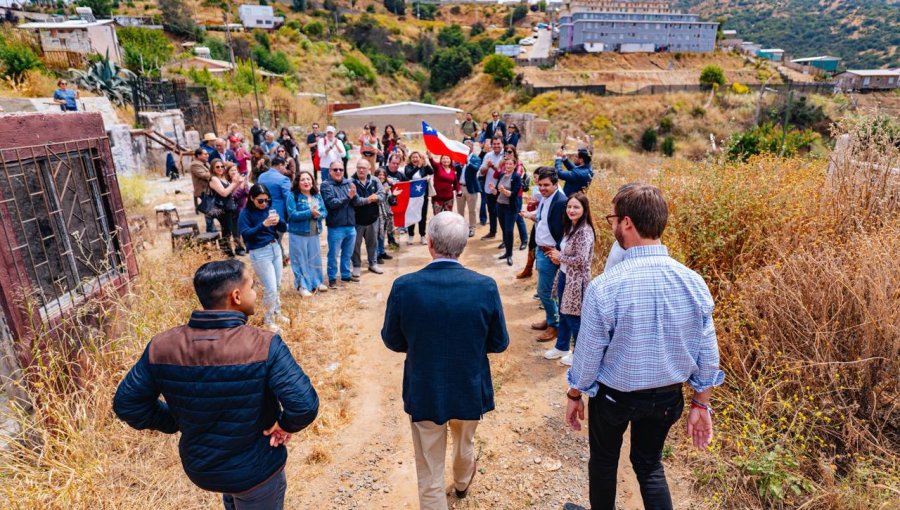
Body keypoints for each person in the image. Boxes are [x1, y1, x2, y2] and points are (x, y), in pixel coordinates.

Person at [565, 184, 723, 510]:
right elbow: (707, 352)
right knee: (650, 465)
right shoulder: (692, 281)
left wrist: (575, 392)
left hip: (614, 397)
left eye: (612, 219)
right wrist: (700, 403)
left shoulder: (605, 286)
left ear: (626, 223)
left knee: (605, 462)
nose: (610, 226)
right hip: (667, 396)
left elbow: (589, 351)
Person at [113, 259, 319, 509]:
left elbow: (127, 403)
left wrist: (178, 421)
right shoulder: (264, 345)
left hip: (202, 468)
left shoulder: (161, 346)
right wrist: (284, 425)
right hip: (257, 470)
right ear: (236, 296)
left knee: (234, 494)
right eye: (252, 286)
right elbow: (304, 405)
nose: (255, 293)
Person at [381, 212, 509, 510]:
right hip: (468, 384)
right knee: (465, 442)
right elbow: (499, 342)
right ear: (463, 245)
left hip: (425, 386)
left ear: (429, 243)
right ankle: (463, 483)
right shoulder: (485, 286)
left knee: (428, 464)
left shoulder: (405, 286)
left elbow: (392, 340)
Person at [543, 192, 595, 366]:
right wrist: (559, 257)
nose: (571, 210)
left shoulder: (585, 231)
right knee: (564, 313)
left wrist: (560, 257)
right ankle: (562, 347)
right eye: (569, 206)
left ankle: (579, 354)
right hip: (565, 275)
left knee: (574, 318)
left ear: (584, 209)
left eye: (576, 207)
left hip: (577, 281)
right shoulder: (571, 226)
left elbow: (581, 260)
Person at [521, 167, 567, 342]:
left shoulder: (560, 201)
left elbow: (564, 231)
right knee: (547, 291)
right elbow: (543, 219)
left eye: (546, 185)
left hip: (550, 253)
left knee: (544, 291)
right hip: (541, 250)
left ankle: (554, 326)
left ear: (556, 184)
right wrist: (530, 215)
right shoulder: (546, 198)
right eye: (540, 185)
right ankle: (550, 319)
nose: (542, 188)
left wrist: (557, 251)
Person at [238, 184, 288, 331]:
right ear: (251, 198)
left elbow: (283, 228)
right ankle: (268, 319)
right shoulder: (245, 213)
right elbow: (246, 234)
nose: (264, 204)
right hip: (259, 252)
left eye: (266, 200)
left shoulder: (269, 209)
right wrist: (263, 225)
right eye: (260, 201)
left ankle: (277, 313)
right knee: (270, 288)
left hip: (275, 248)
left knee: (277, 285)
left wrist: (279, 221)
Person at [286, 170, 328, 297]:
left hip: (314, 232)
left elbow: (324, 211)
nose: (306, 182)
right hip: (298, 233)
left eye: (308, 179)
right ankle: (302, 286)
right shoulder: (293, 196)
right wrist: (309, 213)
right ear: (298, 182)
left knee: (314, 258)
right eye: (303, 179)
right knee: (300, 260)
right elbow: (292, 214)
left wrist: (319, 215)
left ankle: (316, 282)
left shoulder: (317, 195)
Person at [320, 161, 360, 288]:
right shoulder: (326, 185)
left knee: (347, 254)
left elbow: (357, 201)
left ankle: (345, 275)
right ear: (330, 171)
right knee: (333, 254)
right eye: (335, 169)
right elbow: (332, 203)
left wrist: (354, 197)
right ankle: (332, 278)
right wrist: (348, 197)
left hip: (350, 225)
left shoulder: (349, 183)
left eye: (341, 170)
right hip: (336, 227)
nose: (338, 172)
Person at [350, 159, 385, 276]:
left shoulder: (375, 180)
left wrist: (377, 198)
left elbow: (382, 194)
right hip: (357, 220)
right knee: (355, 244)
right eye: (359, 167)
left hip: (372, 219)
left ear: (369, 169)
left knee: (372, 243)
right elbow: (355, 201)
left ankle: (373, 263)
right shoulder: (351, 182)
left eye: (364, 168)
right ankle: (356, 265)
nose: (361, 170)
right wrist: (370, 199)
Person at [208, 158, 245, 257]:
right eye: (217, 167)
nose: (220, 168)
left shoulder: (223, 177)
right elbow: (224, 193)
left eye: (222, 166)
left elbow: (230, 192)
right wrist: (234, 183)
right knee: (226, 231)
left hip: (228, 208)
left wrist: (238, 183)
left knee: (230, 229)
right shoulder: (214, 179)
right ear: (213, 168)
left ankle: (231, 251)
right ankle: (227, 253)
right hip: (221, 209)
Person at [493, 158, 522, 267]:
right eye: (506, 164)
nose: (508, 166)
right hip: (500, 206)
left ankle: (509, 255)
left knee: (509, 230)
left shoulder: (516, 177)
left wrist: (504, 191)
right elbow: (497, 192)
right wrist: (493, 190)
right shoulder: (501, 175)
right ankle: (506, 253)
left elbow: (514, 194)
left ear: (515, 166)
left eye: (510, 164)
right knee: (504, 230)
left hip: (510, 207)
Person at [516, 168, 543, 279]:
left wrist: (531, 212)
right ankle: (528, 269)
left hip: (542, 223)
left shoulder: (549, 190)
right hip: (537, 221)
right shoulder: (537, 188)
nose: (535, 180)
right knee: (532, 244)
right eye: (535, 177)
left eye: (537, 177)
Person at [478, 138, 505, 240]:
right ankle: (492, 232)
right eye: (494, 144)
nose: (496, 146)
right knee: (491, 212)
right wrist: (488, 167)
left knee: (502, 213)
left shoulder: (506, 155)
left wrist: (493, 166)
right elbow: (482, 172)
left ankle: (505, 237)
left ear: (502, 144)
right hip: (489, 188)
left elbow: (501, 173)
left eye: (498, 143)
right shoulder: (488, 155)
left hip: (502, 189)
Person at [257, 157, 292, 236]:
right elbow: (288, 198)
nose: (285, 170)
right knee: (276, 239)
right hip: (278, 213)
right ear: (280, 165)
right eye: (285, 167)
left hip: (262, 211)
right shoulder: (284, 179)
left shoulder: (261, 176)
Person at [404, 151, 433, 246]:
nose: (415, 159)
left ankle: (422, 235)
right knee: (411, 214)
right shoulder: (408, 167)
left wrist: (425, 161)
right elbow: (408, 175)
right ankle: (411, 235)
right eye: (413, 157)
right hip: (411, 197)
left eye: (417, 157)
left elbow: (432, 171)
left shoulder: (424, 167)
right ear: (410, 159)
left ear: (420, 158)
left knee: (422, 216)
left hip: (422, 196)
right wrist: (418, 167)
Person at [373, 168, 399, 263]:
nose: (381, 177)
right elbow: (376, 198)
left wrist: (394, 195)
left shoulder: (387, 186)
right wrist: (383, 190)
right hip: (376, 214)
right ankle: (376, 255)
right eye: (379, 175)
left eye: (383, 175)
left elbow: (391, 202)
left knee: (382, 234)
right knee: (376, 235)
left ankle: (382, 252)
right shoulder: (373, 185)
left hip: (386, 214)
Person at [457, 140, 482, 237]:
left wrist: (468, 162)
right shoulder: (459, 157)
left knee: (472, 210)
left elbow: (476, 168)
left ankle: (472, 228)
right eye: (465, 147)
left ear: (472, 148)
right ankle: (461, 228)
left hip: (470, 188)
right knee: (460, 210)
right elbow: (455, 168)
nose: (467, 149)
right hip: (460, 187)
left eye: (468, 147)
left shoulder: (476, 158)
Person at [189, 148, 217, 234]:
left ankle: (212, 229)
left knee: (211, 209)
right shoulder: (195, 165)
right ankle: (210, 230)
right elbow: (205, 175)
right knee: (209, 210)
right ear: (198, 155)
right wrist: (216, 172)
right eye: (205, 154)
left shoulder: (205, 163)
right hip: (203, 191)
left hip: (209, 190)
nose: (207, 155)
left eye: (207, 154)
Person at [227, 163, 250, 256]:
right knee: (236, 230)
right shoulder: (228, 183)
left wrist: (245, 185)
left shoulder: (241, 180)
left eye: (235, 170)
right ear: (227, 172)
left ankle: (248, 245)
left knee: (245, 227)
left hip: (243, 208)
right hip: (233, 210)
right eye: (231, 170)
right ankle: (239, 248)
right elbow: (233, 196)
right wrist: (240, 187)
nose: (234, 172)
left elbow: (248, 192)